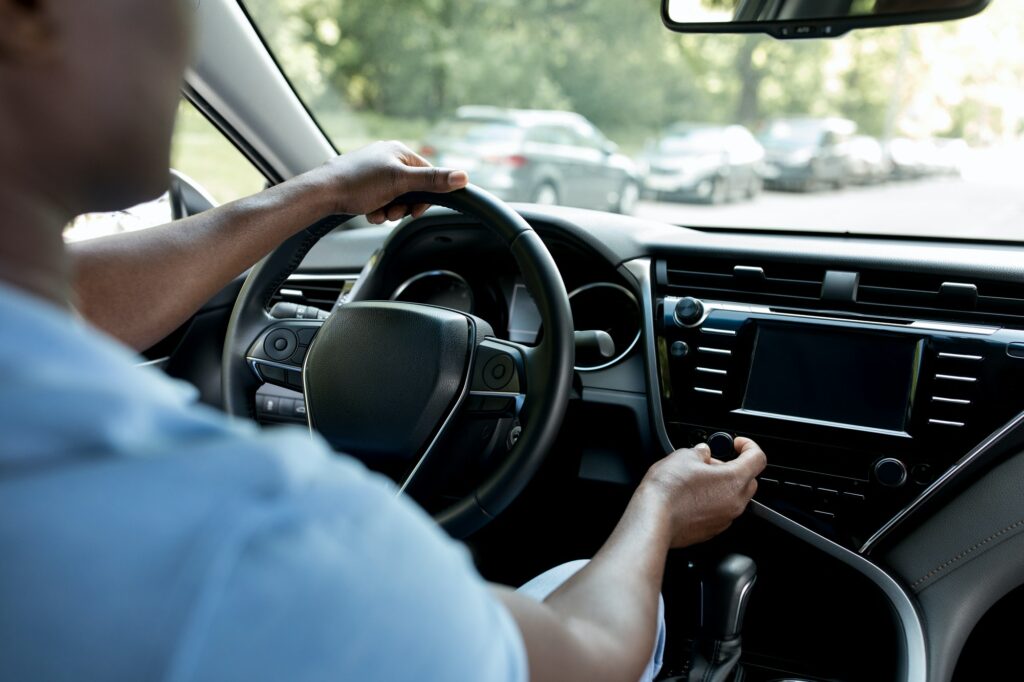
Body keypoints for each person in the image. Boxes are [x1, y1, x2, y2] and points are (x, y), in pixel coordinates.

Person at [0, 1, 767, 680]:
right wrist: (662, 508)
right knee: (591, 583)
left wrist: (324, 191)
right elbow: (591, 652)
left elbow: (74, 295)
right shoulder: (267, 543)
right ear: (26, 15)